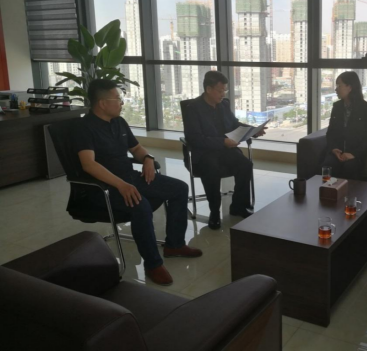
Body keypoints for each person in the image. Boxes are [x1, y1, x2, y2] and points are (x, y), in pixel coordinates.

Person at [75, 80, 202, 287]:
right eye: (118, 99)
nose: (121, 103)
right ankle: (153, 264)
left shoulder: (119, 121)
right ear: (102, 103)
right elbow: (89, 165)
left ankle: (175, 245)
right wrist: (121, 185)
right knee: (141, 206)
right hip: (105, 188)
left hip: (130, 178)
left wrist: (148, 158)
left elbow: (136, 149)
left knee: (179, 188)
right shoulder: (84, 128)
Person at [183, 71, 266, 230]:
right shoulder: (193, 108)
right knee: (212, 168)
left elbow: (234, 124)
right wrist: (222, 142)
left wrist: (253, 130)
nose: (223, 94)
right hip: (204, 153)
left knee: (245, 165)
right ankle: (214, 211)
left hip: (225, 149)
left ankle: (238, 206)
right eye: (220, 91)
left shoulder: (223, 105)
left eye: (225, 91)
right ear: (208, 89)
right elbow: (195, 138)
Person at [322, 71, 367, 180]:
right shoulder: (337, 107)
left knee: (350, 167)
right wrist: (334, 149)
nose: (336, 89)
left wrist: (353, 154)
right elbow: (330, 133)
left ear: (350, 87)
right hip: (338, 153)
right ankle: (327, 190)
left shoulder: (366, 108)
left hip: (357, 155)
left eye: (339, 85)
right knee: (327, 165)